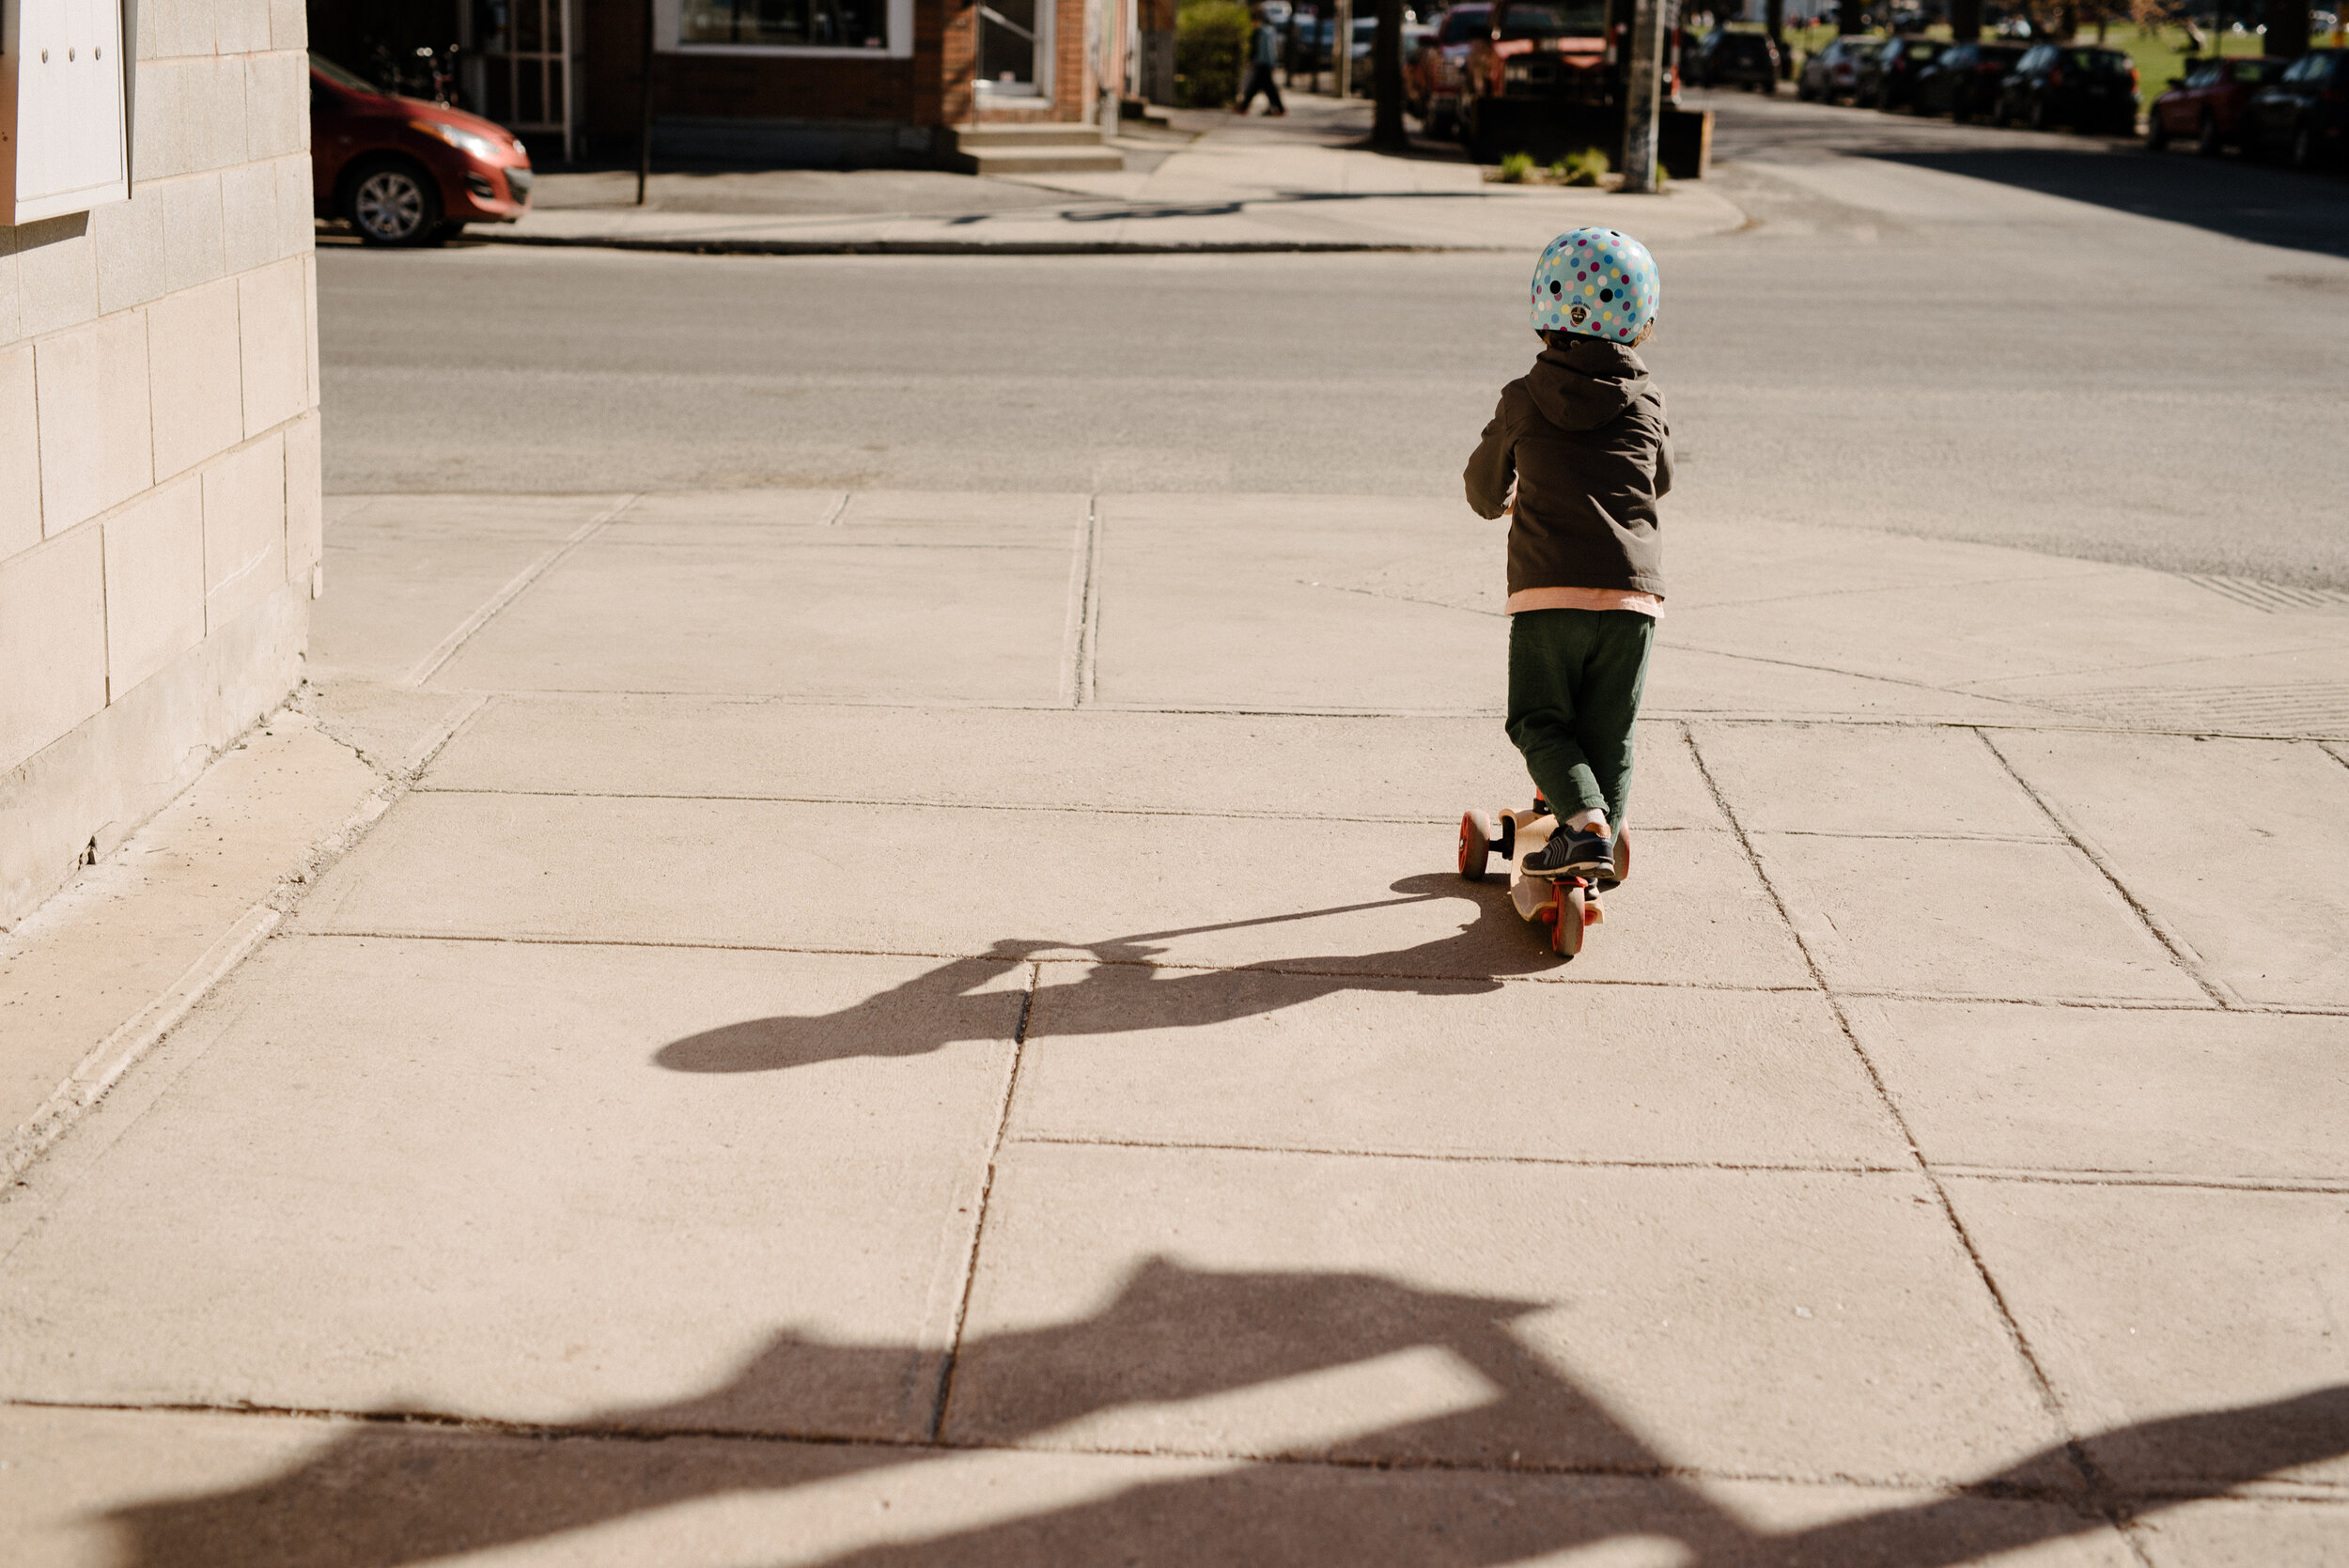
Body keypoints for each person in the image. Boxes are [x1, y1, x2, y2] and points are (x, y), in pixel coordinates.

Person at [1462, 227, 1670, 883]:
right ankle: (1603, 827)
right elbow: (1659, 481)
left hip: (1549, 594)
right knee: (1611, 731)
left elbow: (1481, 488)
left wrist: (1505, 499)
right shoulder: (1648, 401)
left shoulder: (1522, 399)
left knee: (1537, 717)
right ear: (1641, 322)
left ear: (1543, 315)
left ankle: (1583, 824)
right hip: (1634, 598)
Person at [1235, 6, 1287, 115]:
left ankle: (1244, 106)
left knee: (1258, 87)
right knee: (1266, 87)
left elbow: (1268, 50)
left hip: (1263, 63)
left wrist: (1271, 64)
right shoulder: (1263, 31)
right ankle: (1279, 108)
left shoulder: (1264, 32)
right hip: (1262, 63)